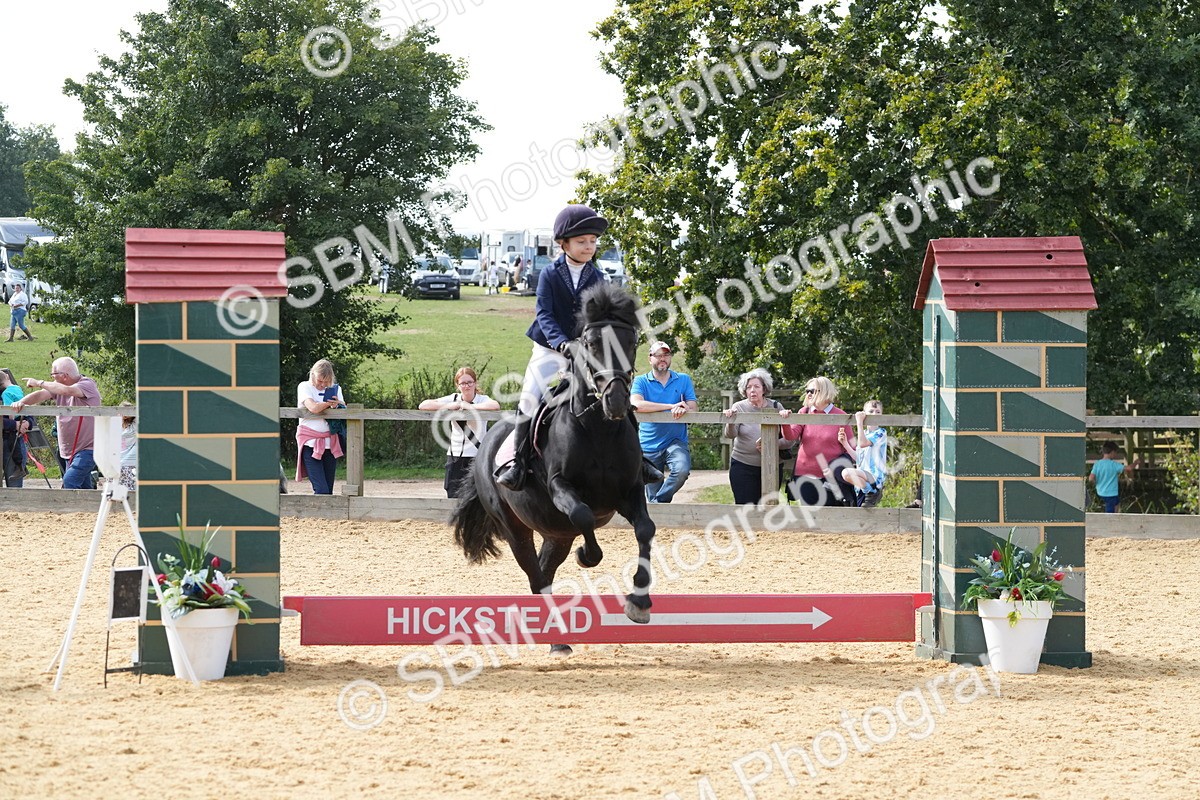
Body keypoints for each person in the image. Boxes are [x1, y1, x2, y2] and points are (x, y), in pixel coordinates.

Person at [496, 205, 608, 490]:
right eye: (582, 241)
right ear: (564, 244)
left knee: (614, 391)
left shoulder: (597, 277)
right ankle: (518, 463)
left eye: (593, 241)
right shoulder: (549, 273)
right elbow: (544, 313)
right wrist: (560, 342)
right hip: (548, 349)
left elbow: (598, 317)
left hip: (583, 351)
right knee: (528, 398)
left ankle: (636, 460)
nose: (589, 246)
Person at [12, 358, 101, 489]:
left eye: (53, 374)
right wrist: (21, 403)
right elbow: (40, 395)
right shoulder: (58, 388)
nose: (52, 377)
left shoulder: (86, 384)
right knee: (83, 488)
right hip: (70, 450)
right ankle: (90, 503)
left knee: (70, 481)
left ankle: (67, 504)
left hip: (88, 449)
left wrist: (39, 382)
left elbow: (67, 391)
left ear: (64, 376)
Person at [632, 340, 698, 503]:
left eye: (666, 355)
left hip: (675, 441)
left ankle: (657, 502)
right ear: (650, 358)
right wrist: (671, 406)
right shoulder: (641, 381)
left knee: (681, 470)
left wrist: (685, 409)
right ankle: (657, 506)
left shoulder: (683, 379)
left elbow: (693, 408)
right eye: (658, 355)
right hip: (648, 445)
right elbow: (637, 405)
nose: (663, 359)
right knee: (652, 489)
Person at [419, 366, 500, 498]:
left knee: (479, 496)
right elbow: (423, 405)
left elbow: (495, 406)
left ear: (475, 383)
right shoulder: (453, 398)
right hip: (455, 455)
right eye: (463, 383)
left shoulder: (482, 399)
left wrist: (469, 407)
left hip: (478, 455)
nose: (466, 386)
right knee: (453, 494)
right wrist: (450, 406)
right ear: (457, 385)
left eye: (469, 382)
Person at [722, 368, 792, 505]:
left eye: (756, 386)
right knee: (745, 508)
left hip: (772, 467)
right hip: (743, 466)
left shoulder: (776, 406)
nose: (752, 390)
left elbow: (790, 440)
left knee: (768, 509)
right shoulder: (739, 407)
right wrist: (730, 421)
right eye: (749, 387)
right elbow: (730, 435)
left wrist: (770, 444)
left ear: (764, 389)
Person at [782, 376, 856, 506]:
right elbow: (790, 436)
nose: (808, 394)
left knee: (831, 515)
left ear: (825, 391)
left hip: (831, 478)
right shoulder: (804, 412)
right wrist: (785, 421)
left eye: (812, 391)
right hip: (805, 474)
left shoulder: (841, 415)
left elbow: (852, 448)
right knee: (810, 515)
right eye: (807, 391)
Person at [295, 359, 345, 495]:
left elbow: (343, 410)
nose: (322, 384)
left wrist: (337, 405)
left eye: (326, 382)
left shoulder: (336, 388)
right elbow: (313, 408)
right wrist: (328, 404)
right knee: (321, 489)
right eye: (320, 381)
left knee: (328, 489)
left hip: (330, 443)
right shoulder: (304, 386)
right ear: (313, 374)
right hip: (310, 443)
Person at [838, 398, 887, 508]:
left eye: (878, 412)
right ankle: (870, 491)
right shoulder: (864, 433)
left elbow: (863, 443)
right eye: (871, 411)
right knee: (863, 513)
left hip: (873, 476)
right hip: (863, 482)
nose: (874, 414)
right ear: (865, 414)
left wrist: (859, 423)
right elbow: (858, 458)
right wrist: (845, 444)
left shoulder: (881, 433)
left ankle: (873, 491)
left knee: (846, 473)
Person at [2, 368, 30, 487]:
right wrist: (14, 424)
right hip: (10, 433)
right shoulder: (15, 389)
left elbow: (24, 408)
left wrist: (27, 423)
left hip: (11, 438)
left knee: (15, 486)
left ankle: (19, 467)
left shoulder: (7, 392)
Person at [1089, 441, 1133, 513]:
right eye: (1116, 452)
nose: (1116, 455)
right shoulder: (1113, 464)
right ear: (1112, 452)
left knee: (1117, 503)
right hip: (1111, 493)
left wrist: (1096, 483)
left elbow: (1091, 478)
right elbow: (1129, 468)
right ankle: (1111, 519)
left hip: (1100, 492)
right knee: (1110, 513)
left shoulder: (1097, 464)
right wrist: (1136, 463)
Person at [118, 402, 137, 490]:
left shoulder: (134, 424)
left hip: (131, 456)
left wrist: (130, 412)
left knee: (127, 473)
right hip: (121, 454)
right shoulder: (118, 424)